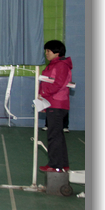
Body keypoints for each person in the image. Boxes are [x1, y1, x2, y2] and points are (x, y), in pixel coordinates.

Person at [38, 40, 72, 173]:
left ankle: (55, 165)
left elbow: (58, 84)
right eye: (46, 51)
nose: (46, 53)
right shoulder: (53, 65)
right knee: (58, 135)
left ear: (57, 52)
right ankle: (63, 164)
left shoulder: (61, 65)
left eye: (48, 51)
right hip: (52, 103)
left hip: (57, 104)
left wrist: (43, 94)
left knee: (54, 136)